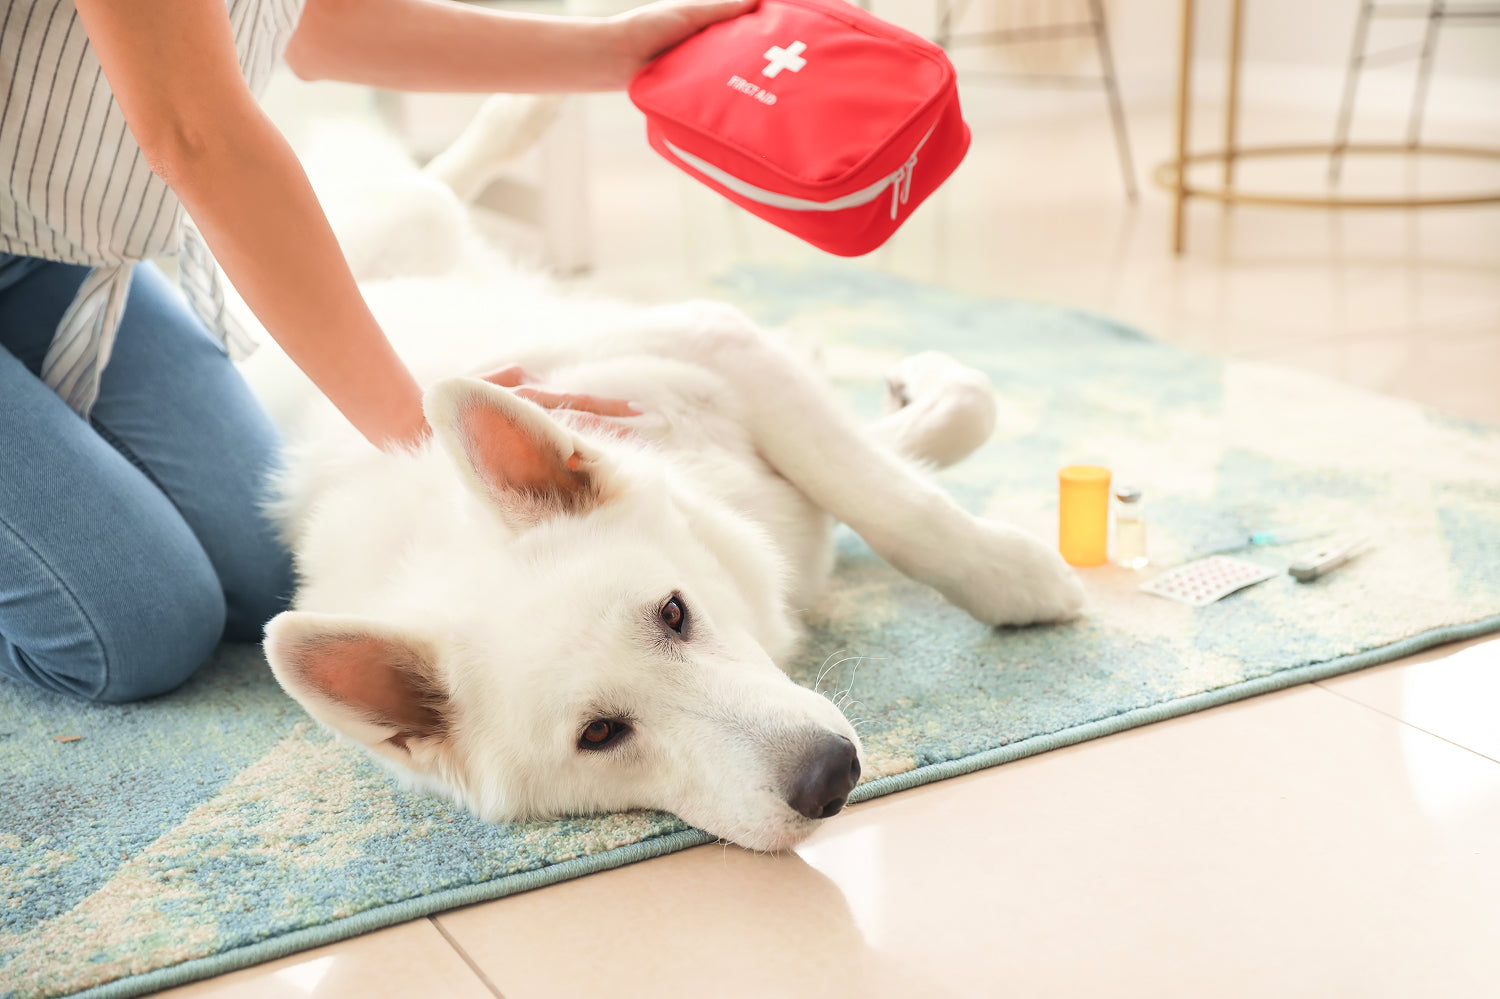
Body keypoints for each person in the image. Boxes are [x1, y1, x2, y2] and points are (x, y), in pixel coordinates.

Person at [0, 0, 755, 703]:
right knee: (137, 633)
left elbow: (310, 22)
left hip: (46, 248)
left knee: (263, 567)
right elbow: (200, 137)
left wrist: (614, 52)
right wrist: (422, 427)